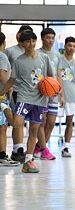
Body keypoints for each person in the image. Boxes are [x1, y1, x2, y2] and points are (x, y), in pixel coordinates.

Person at [0, 31, 53, 173]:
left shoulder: (44, 58)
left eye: (33, 40)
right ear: (22, 44)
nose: (31, 44)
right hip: (24, 97)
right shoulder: (18, 61)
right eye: (28, 41)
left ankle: (28, 161)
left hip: (40, 98)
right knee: (16, 124)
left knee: (34, 129)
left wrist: (55, 90)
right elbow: (11, 80)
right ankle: (3, 105)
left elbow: (50, 78)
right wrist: (1, 93)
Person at [4, 25, 33, 163]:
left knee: (32, 123)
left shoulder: (35, 54)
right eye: (25, 35)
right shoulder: (9, 52)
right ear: (18, 35)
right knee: (17, 122)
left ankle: (23, 149)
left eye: (31, 37)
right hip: (14, 90)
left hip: (31, 92)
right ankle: (18, 149)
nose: (29, 40)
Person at [34, 27, 64, 160]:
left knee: (51, 122)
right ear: (42, 39)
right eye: (48, 38)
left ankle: (40, 147)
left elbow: (58, 74)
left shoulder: (57, 55)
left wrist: (61, 93)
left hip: (54, 92)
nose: (51, 40)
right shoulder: (37, 53)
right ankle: (44, 149)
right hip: (42, 92)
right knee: (42, 121)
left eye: (52, 38)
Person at [57, 37, 75, 157]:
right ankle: (42, 146)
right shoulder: (58, 60)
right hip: (56, 96)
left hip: (71, 96)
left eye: (74, 46)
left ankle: (66, 147)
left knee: (69, 122)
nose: (71, 48)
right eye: (69, 45)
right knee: (48, 121)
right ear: (65, 46)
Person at [0, 32, 20, 166]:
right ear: (3, 43)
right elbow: (2, 75)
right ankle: (2, 155)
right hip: (1, 96)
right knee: (3, 126)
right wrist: (9, 87)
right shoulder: (1, 56)